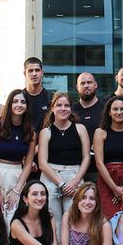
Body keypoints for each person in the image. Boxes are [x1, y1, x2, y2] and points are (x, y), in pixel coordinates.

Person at [37, 92, 91, 234]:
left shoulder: (80, 129)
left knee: (73, 219)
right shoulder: (45, 132)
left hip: (75, 176)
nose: (63, 108)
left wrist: (75, 181)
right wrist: (61, 183)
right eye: (59, 105)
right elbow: (42, 163)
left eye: (66, 105)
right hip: (51, 177)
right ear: (53, 108)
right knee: (53, 220)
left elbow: (86, 158)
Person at [0, 89, 36, 222]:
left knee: (12, 219)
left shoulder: (30, 133)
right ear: (9, 104)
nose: (19, 105)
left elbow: (28, 164)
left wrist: (17, 190)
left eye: (23, 102)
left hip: (17, 176)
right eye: (15, 101)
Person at [93, 96, 123, 219]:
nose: (119, 112)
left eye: (122, 109)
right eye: (115, 109)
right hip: (107, 179)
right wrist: (114, 188)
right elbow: (99, 163)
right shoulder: (100, 132)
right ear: (109, 112)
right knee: (108, 217)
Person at [73, 72, 103, 184]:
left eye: (89, 82)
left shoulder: (105, 109)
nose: (86, 85)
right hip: (75, 168)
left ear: (95, 85)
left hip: (98, 169)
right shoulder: (71, 110)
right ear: (77, 87)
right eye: (83, 83)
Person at [22, 57, 51, 131]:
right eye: (30, 71)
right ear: (25, 74)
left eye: (37, 70)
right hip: (23, 141)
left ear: (42, 73)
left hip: (45, 141)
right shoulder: (19, 98)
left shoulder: (51, 98)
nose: (34, 74)